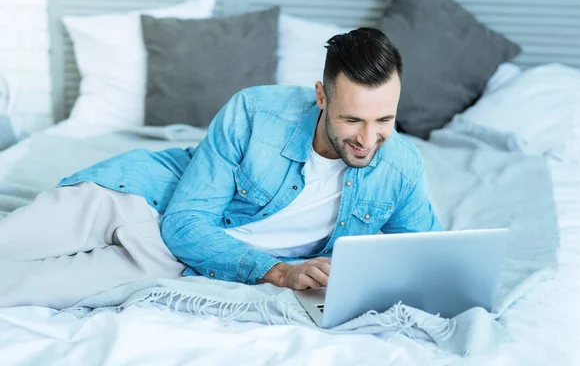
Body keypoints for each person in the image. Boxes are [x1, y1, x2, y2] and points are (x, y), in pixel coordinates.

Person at [0, 27, 442, 309]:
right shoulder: (255, 111)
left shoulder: (400, 168)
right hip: (133, 197)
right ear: (322, 97)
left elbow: (432, 261)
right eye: (352, 119)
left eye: (384, 119)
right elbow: (186, 221)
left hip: (175, 260)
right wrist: (278, 272)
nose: (368, 139)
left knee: (22, 290)